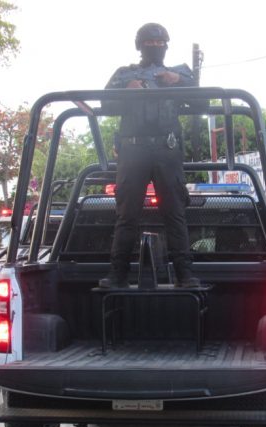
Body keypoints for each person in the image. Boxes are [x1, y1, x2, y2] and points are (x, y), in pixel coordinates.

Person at [98, 22, 199, 289]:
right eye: (150, 43)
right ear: (139, 45)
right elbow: (104, 104)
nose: (155, 47)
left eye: (160, 43)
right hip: (133, 150)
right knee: (126, 215)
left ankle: (185, 275)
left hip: (167, 149)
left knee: (175, 212)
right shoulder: (124, 74)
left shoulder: (179, 73)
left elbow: (202, 102)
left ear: (166, 46)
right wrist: (126, 89)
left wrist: (179, 82)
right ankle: (117, 275)